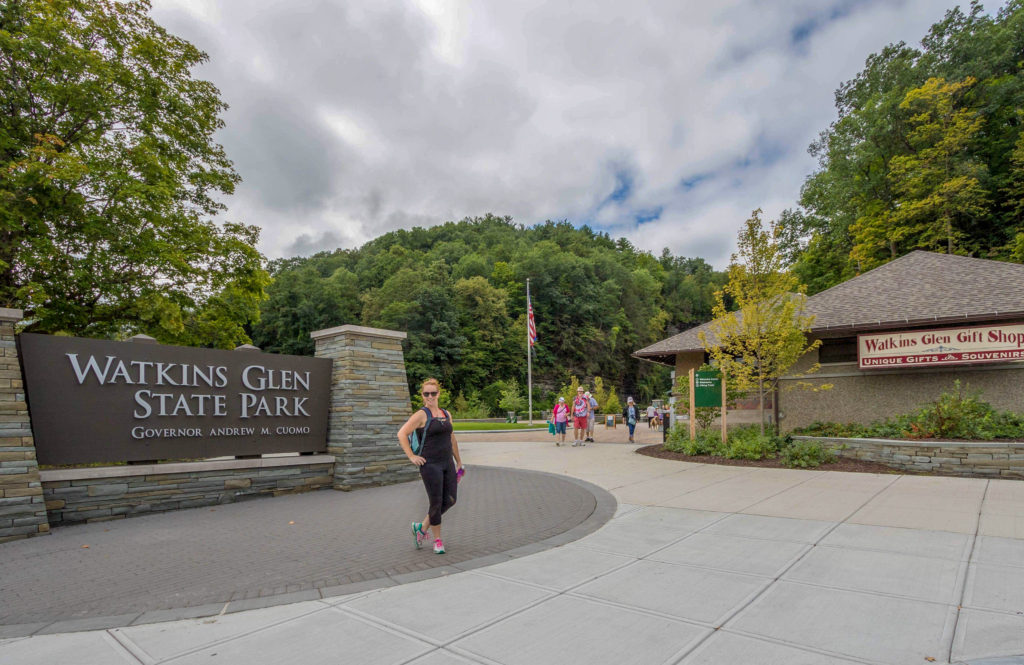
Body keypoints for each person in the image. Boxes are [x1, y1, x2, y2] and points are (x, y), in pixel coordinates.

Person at [397, 378, 464, 555]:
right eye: (426, 394)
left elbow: (451, 438)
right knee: (436, 502)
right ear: (422, 395)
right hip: (430, 465)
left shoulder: (446, 414)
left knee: (450, 500)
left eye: (433, 393)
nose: (430, 396)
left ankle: (421, 527)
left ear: (438, 394)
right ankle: (437, 540)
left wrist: (458, 461)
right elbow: (402, 433)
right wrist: (411, 456)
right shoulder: (421, 415)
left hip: (447, 463)